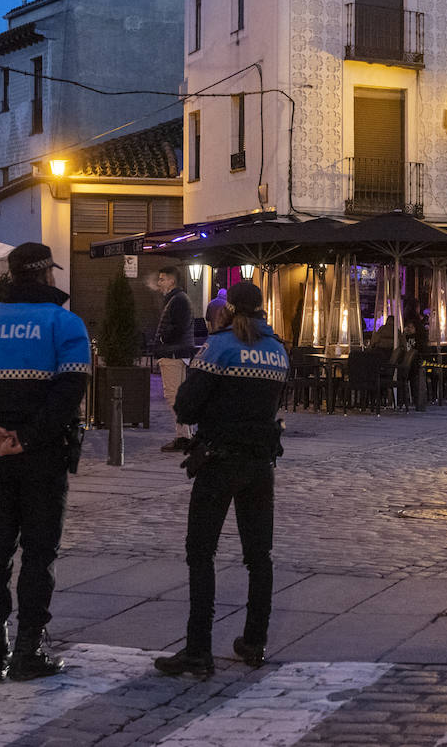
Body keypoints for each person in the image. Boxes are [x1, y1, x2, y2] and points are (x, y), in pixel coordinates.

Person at [0, 242, 91, 684]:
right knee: (39, 552)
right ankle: (29, 649)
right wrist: (28, 437)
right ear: (46, 275)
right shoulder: (65, 324)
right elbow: (69, 393)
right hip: (43, 456)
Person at [155, 281, 288, 679]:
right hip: (260, 463)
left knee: (201, 554)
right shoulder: (278, 350)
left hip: (219, 460)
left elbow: (187, 404)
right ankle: (254, 641)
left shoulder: (219, 346)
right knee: (258, 556)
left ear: (229, 308)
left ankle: (198, 650)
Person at [153, 265, 196, 453]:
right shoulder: (177, 299)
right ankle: (185, 434)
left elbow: (178, 327)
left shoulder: (177, 300)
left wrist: (163, 339)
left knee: (173, 395)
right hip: (175, 352)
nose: (159, 282)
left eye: (162, 279)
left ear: (172, 281)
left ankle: (184, 437)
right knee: (176, 395)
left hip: (173, 353)